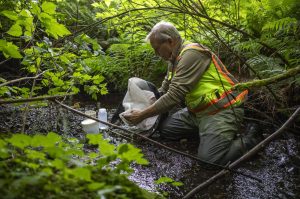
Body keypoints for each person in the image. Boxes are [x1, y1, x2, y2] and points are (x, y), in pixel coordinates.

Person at [123, 21, 259, 165]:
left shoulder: (191, 54)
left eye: (157, 49)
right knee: (166, 130)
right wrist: (145, 105)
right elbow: (164, 91)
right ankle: (208, 134)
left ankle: (251, 139)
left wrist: (142, 115)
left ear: (170, 41)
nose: (157, 54)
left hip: (221, 109)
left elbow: (174, 95)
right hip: (197, 112)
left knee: (210, 161)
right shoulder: (173, 60)